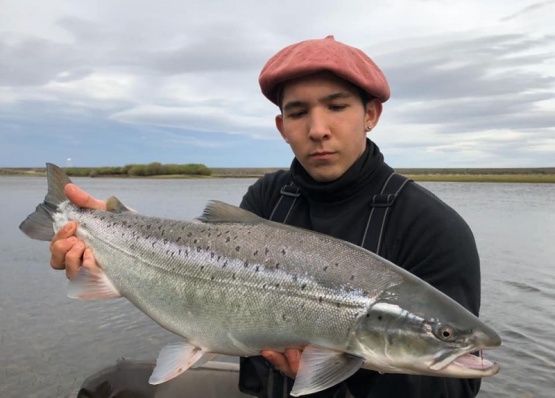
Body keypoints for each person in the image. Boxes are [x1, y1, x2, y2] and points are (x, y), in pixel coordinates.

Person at [50, 36, 482, 397]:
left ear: (370, 115)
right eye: (298, 112)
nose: (317, 129)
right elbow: (195, 261)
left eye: (336, 106)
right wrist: (115, 237)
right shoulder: (270, 194)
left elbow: (455, 392)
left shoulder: (435, 229)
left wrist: (329, 377)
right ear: (281, 126)